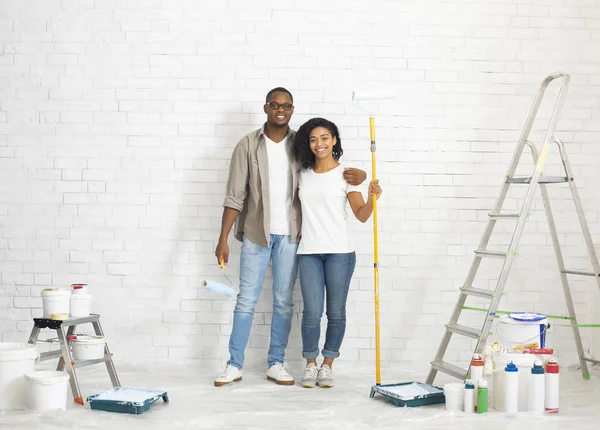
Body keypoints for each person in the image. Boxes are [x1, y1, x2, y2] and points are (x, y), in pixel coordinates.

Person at [214, 89, 367, 387]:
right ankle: (234, 364)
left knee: (284, 303)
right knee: (246, 300)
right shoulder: (247, 144)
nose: (280, 110)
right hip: (257, 234)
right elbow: (234, 196)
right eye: (274, 105)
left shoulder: (300, 145)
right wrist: (223, 239)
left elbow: (329, 170)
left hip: (293, 237)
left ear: (292, 109)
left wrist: (359, 176)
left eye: (285, 106)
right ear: (266, 108)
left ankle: (276, 362)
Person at [293, 117, 382, 388]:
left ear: (334, 140)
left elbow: (362, 216)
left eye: (324, 138)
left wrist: (372, 197)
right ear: (308, 144)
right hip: (308, 250)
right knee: (311, 311)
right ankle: (310, 363)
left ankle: (328, 364)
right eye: (313, 139)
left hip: (340, 252)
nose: (319, 144)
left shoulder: (347, 176)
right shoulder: (301, 174)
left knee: (336, 312)